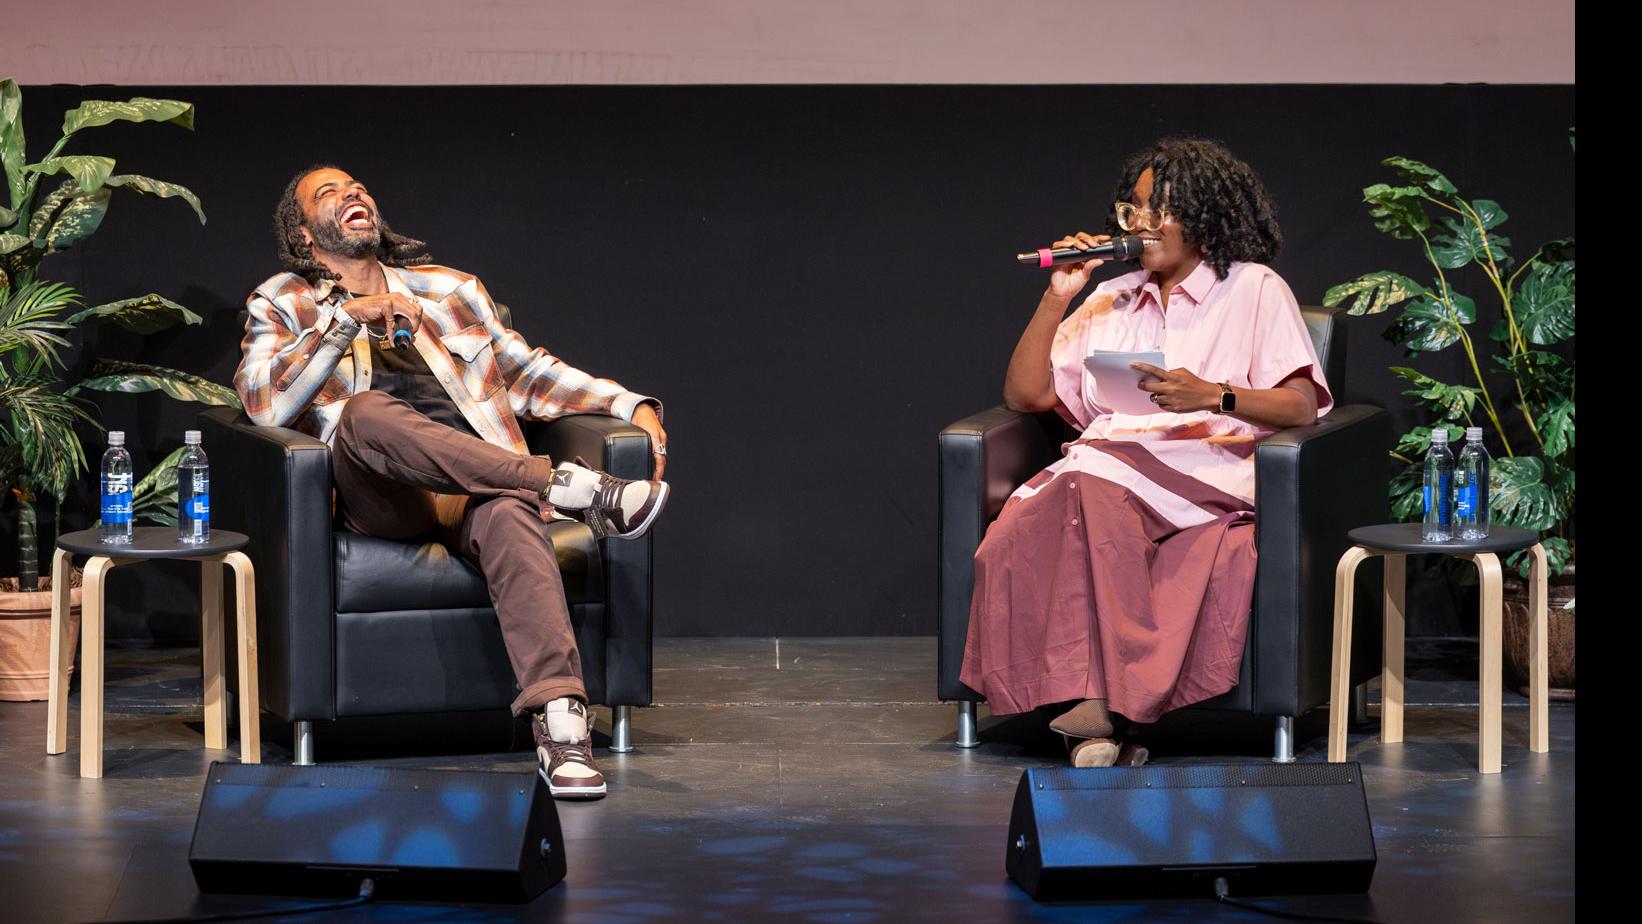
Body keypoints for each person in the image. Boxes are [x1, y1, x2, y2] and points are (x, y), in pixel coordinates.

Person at [236, 165, 670, 799]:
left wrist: (630, 403)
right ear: (304, 235)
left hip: (473, 481)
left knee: (509, 508)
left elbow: (529, 373)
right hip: (379, 494)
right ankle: (561, 485)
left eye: (358, 186)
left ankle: (561, 726)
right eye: (329, 193)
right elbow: (262, 405)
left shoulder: (451, 290)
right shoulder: (281, 301)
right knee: (365, 414)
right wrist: (346, 322)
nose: (353, 193)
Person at [959, 138, 1333, 767]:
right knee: (1017, 528)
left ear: (1205, 217)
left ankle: (1096, 704)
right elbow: (1024, 395)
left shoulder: (1252, 289)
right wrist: (1059, 294)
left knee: (1084, 494)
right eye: (1134, 210)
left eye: (1163, 209)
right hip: (1108, 464)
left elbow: (1299, 404)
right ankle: (1110, 730)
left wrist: (1212, 395)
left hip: (1203, 467)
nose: (1143, 224)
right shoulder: (1111, 297)